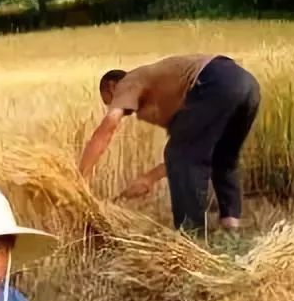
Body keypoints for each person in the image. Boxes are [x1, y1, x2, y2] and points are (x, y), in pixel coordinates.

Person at [78, 53, 260, 234]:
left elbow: (106, 129)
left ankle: (191, 236)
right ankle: (231, 230)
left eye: (110, 101)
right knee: (222, 156)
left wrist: (80, 178)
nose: (122, 110)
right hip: (248, 85)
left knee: (183, 156)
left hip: (215, 81)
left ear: (112, 86)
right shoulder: (173, 97)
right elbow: (190, 150)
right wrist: (150, 178)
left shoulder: (129, 81)